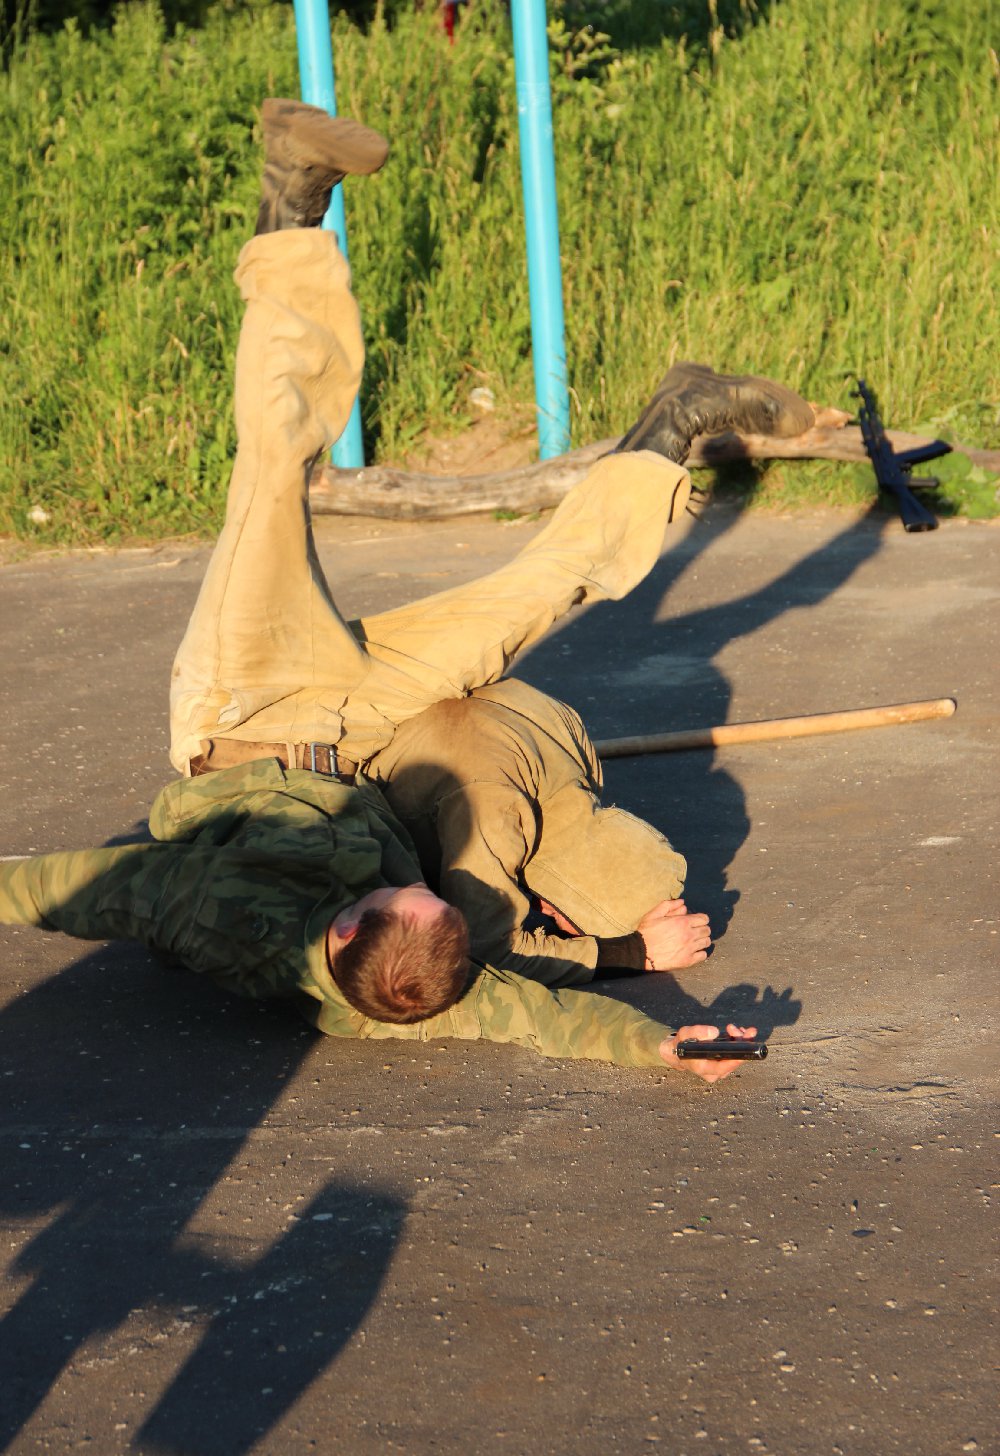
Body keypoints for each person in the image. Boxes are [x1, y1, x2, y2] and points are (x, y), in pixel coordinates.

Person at [0, 100, 815, 1079]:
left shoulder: (212, 911)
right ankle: (674, 424)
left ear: (346, 933)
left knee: (272, 475)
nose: (414, 884)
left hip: (240, 706)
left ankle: (293, 205)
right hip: (364, 732)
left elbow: (61, 888)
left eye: (402, 892)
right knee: (535, 596)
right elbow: (529, 1016)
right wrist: (663, 1044)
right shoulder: (414, 991)